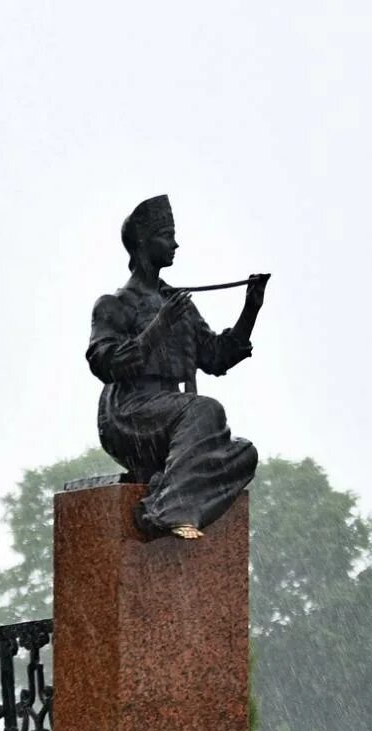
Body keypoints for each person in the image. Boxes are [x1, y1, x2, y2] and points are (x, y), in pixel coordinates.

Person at [86, 194, 268, 539]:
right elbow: (105, 364)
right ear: (143, 242)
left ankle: (167, 493)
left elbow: (215, 356)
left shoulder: (176, 303)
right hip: (129, 414)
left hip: (177, 419)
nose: (175, 244)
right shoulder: (115, 305)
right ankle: (160, 511)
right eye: (167, 235)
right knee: (206, 410)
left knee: (244, 454)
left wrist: (251, 309)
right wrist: (159, 327)